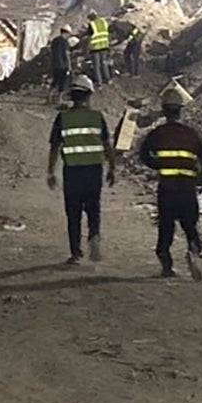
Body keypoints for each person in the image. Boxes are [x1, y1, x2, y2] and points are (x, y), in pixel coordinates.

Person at [138, 82, 202, 279]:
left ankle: (167, 267)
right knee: (190, 227)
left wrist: (158, 165)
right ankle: (193, 250)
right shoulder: (191, 134)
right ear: (180, 110)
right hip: (187, 189)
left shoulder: (157, 134)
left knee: (166, 228)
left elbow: (144, 155)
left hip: (167, 189)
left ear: (164, 110)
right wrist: (199, 179)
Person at [46, 74, 117, 264]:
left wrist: (50, 172)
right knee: (94, 208)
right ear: (89, 95)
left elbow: (55, 147)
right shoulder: (97, 117)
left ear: (72, 96)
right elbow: (107, 145)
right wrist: (112, 167)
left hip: (72, 172)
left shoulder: (63, 118)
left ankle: (75, 253)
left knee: (73, 213)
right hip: (93, 171)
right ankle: (94, 235)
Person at [85, 14, 112, 86]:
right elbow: (108, 34)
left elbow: (89, 37)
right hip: (104, 46)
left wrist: (87, 48)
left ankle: (99, 82)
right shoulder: (104, 22)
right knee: (104, 63)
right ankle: (108, 79)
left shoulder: (92, 24)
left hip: (95, 48)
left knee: (96, 65)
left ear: (90, 18)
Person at [48, 25, 72, 95]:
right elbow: (67, 54)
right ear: (66, 33)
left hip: (54, 64)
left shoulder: (54, 40)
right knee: (62, 81)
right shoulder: (65, 42)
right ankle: (60, 98)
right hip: (63, 65)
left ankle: (49, 95)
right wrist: (69, 65)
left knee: (55, 80)